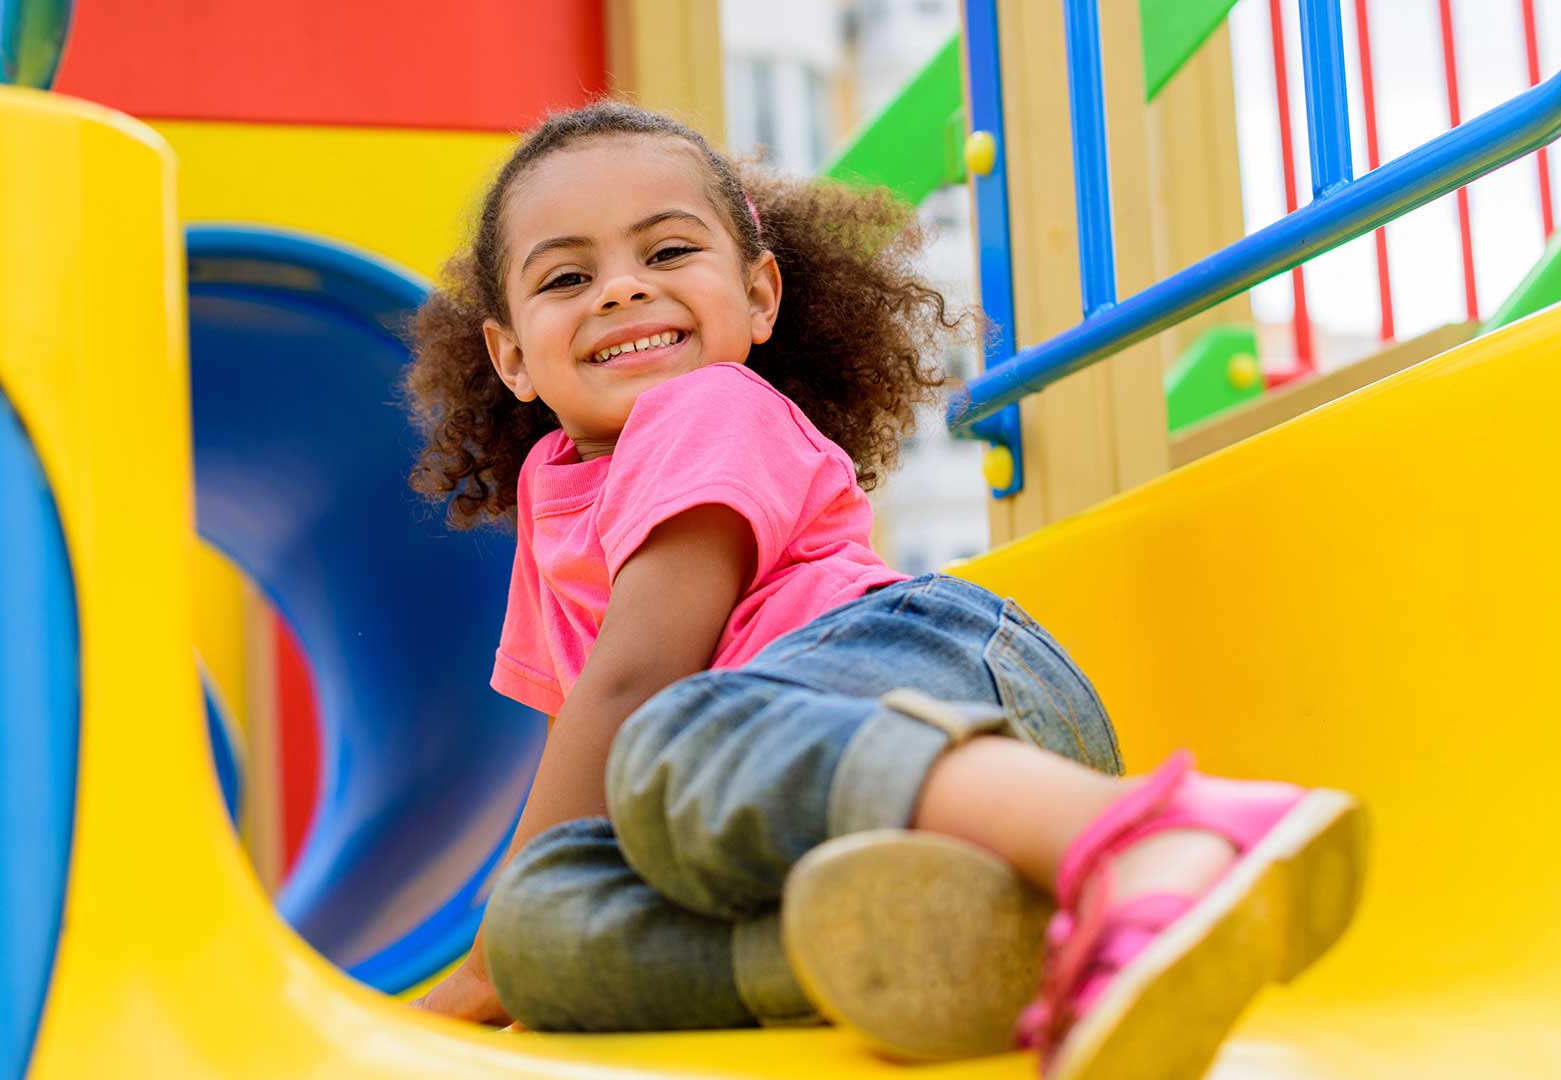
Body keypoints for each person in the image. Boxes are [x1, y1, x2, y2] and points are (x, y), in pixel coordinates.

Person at [400, 101, 1367, 1080]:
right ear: (511, 353)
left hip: (930, 677)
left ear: (760, 296)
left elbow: (632, 686)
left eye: (667, 253)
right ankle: (958, 946)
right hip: (831, 801)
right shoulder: (554, 494)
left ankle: (1146, 833)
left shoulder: (707, 408)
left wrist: (473, 970)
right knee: (549, 929)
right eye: (567, 277)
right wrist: (512, 939)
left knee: (665, 743)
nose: (620, 292)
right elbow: (582, 755)